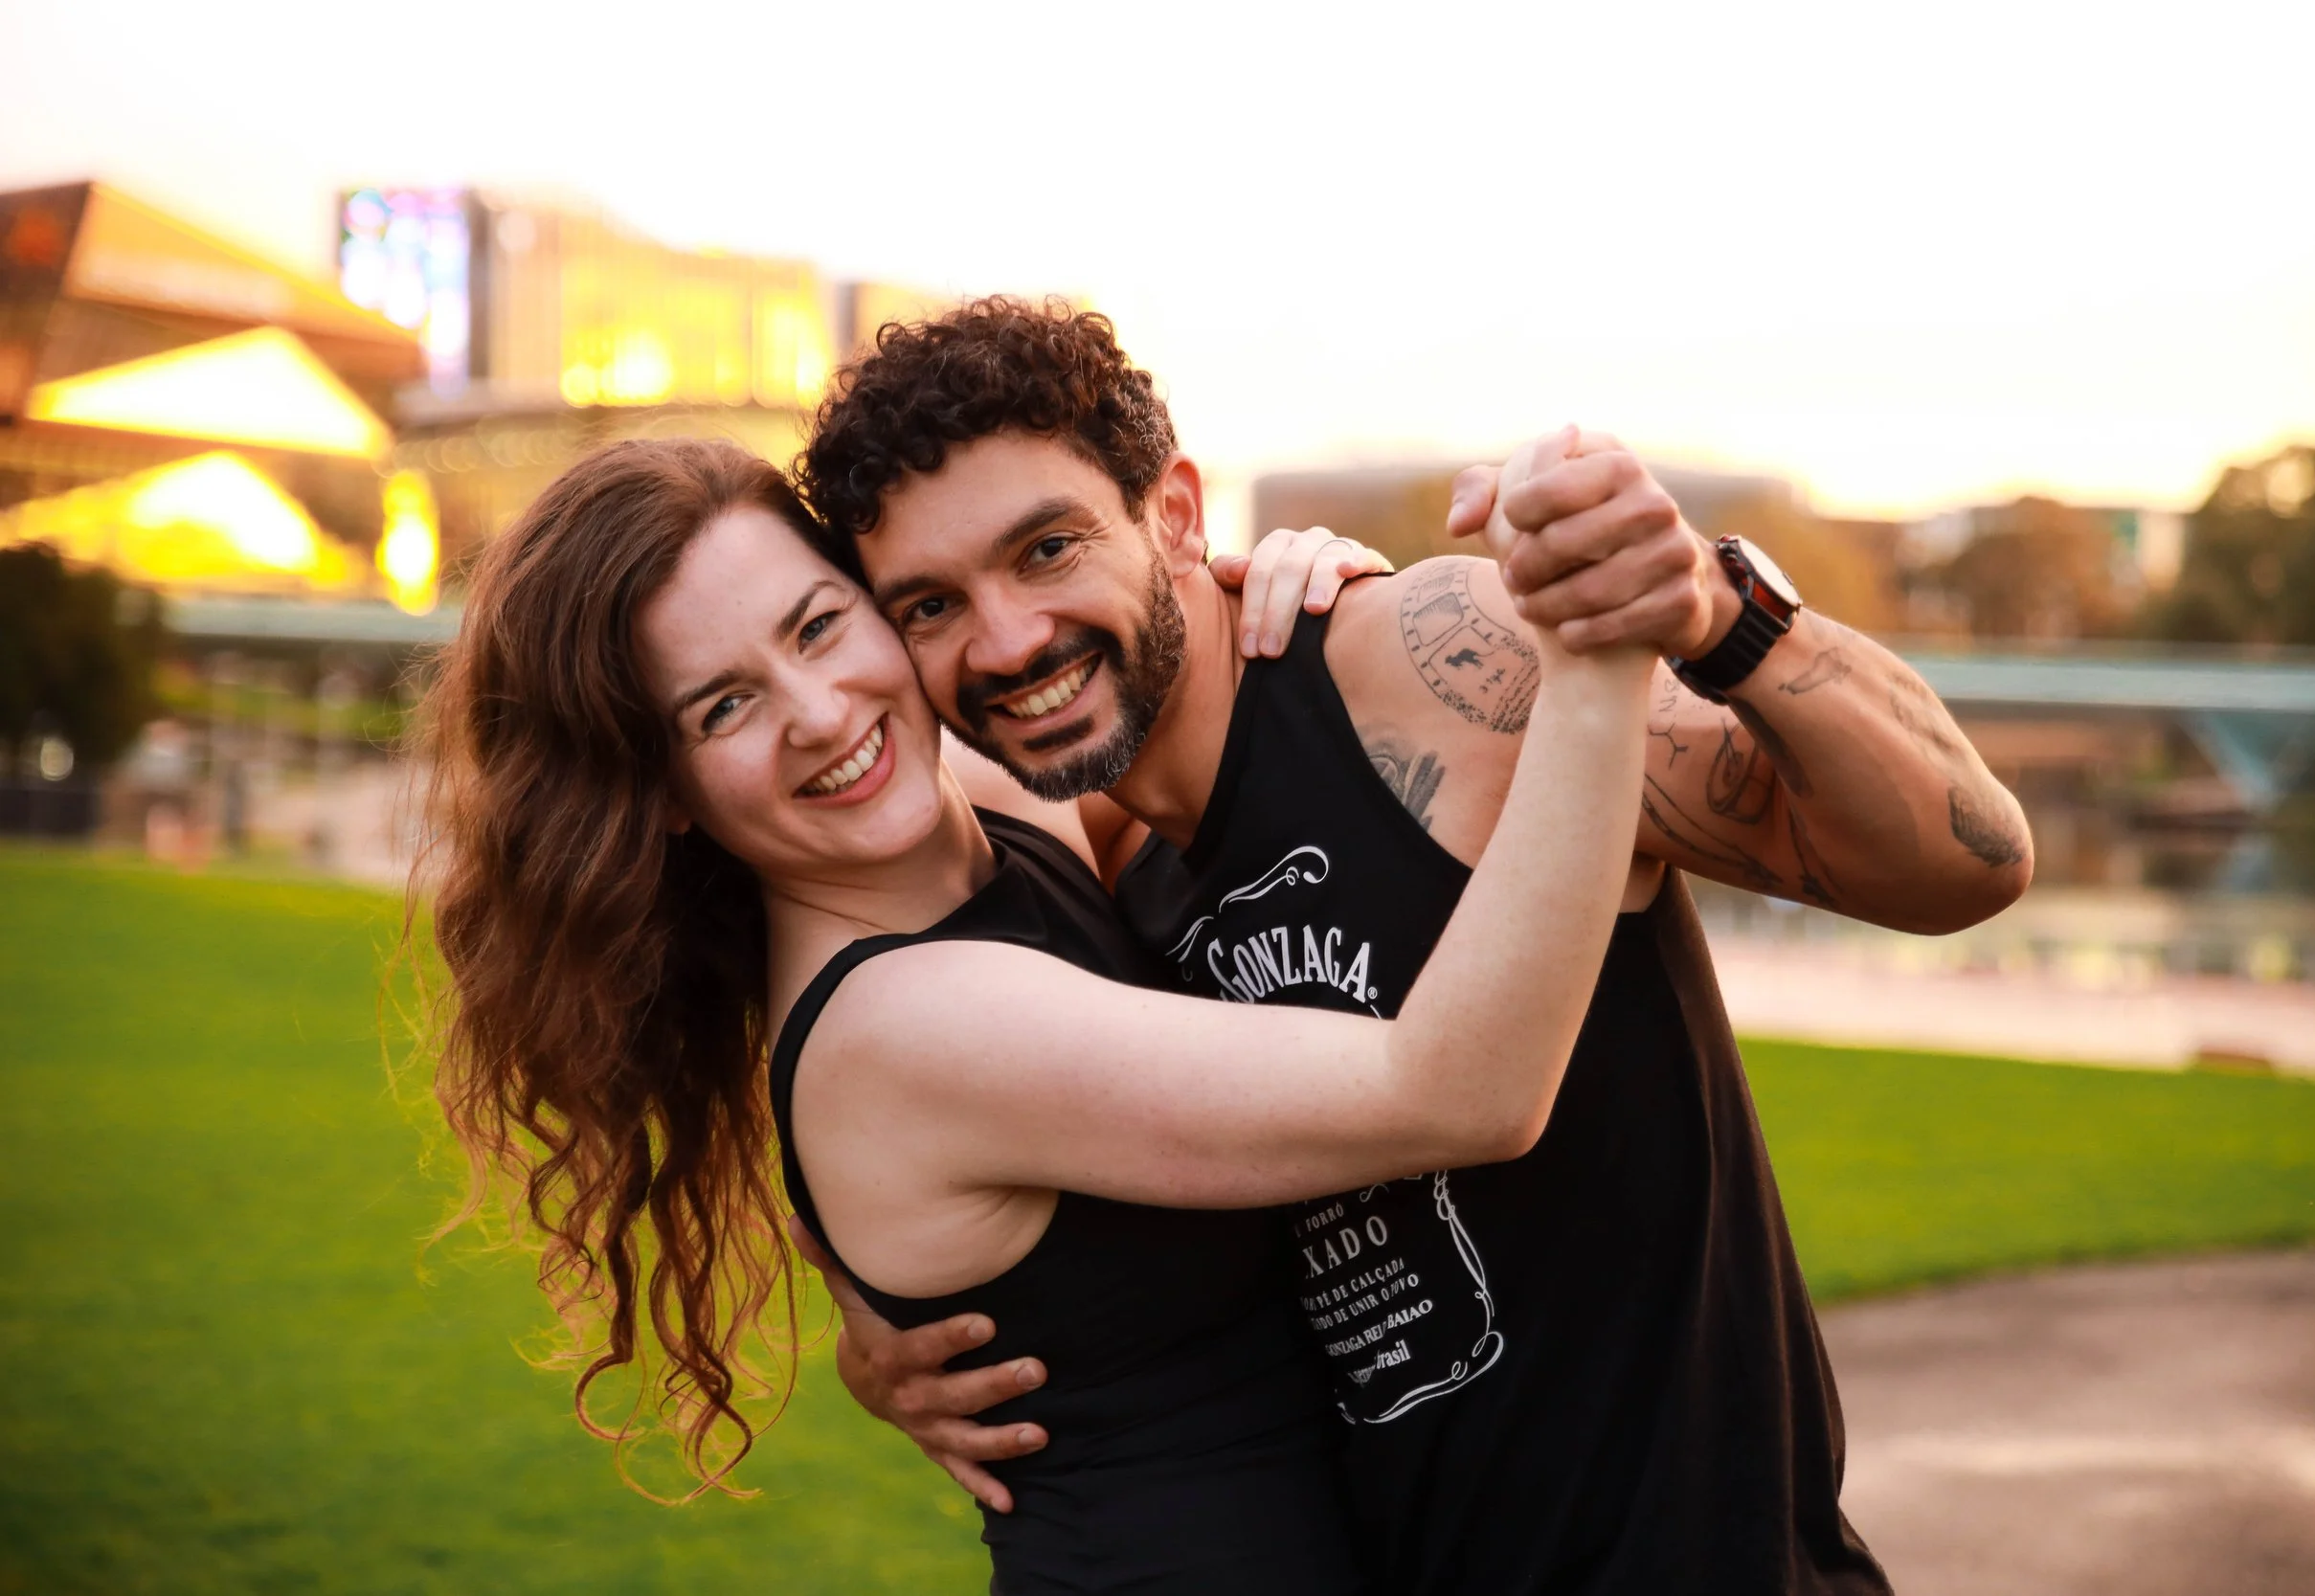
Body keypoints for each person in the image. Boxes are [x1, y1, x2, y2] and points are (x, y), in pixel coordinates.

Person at [798, 299, 2035, 1593]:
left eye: (1048, 547)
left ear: (1173, 511)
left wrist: (1717, 611)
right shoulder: (1098, 885)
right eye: (931, 603)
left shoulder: (1423, 663)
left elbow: (1969, 863)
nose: (1005, 640)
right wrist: (873, 1323)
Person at [412, 433, 1660, 1595]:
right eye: (721, 706)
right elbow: (1460, 1092)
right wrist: (1594, 662)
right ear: (663, 790)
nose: (821, 711)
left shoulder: (977, 798)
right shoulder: (903, 1030)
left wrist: (1306, 596)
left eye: (818, 623)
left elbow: (1168, 706)